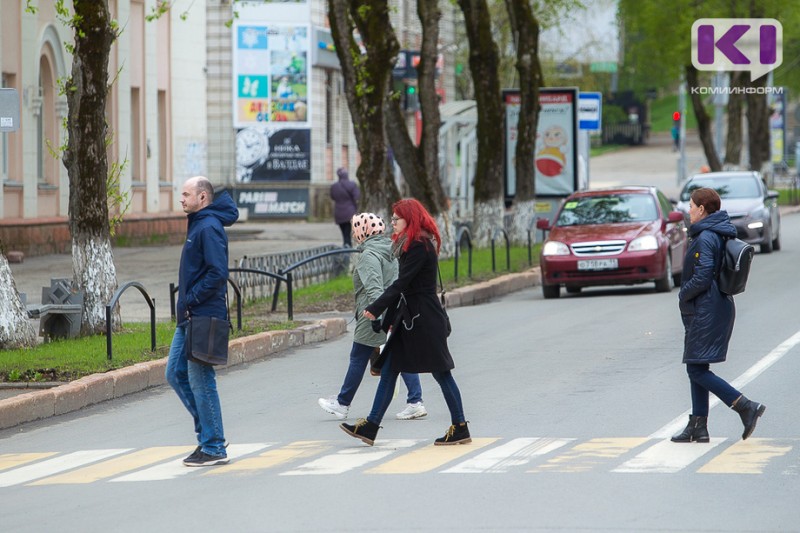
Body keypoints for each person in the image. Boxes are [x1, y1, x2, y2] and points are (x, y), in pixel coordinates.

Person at [340, 198, 471, 446]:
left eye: (396, 218)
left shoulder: (420, 246)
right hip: (411, 318)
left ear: (409, 219)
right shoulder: (410, 244)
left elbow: (401, 285)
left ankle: (460, 426)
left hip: (424, 320)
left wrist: (376, 308)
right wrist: (385, 320)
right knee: (389, 370)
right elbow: (402, 290)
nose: (392, 222)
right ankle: (370, 426)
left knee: (442, 373)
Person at [672, 187, 765, 443]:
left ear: (702, 209)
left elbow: (702, 277)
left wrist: (683, 294)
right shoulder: (714, 232)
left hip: (706, 308)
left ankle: (745, 406)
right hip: (713, 306)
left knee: (697, 370)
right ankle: (698, 427)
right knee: (697, 365)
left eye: (691, 206)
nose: (688, 211)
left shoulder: (705, 237)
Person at [318, 213, 427, 421]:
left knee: (358, 357)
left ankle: (342, 403)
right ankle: (415, 401)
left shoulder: (369, 255)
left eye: (356, 230)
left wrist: (377, 315)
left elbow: (375, 289)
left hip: (374, 313)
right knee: (400, 357)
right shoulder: (391, 249)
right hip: (396, 310)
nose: (354, 234)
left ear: (363, 231)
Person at [166, 176, 239, 466]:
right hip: (191, 316)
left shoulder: (208, 227)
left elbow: (218, 273)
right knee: (175, 373)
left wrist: (191, 299)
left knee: (201, 380)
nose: (181, 199)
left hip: (203, 315)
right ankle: (209, 434)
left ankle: (213, 446)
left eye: (186, 194)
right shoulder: (199, 222)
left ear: (203, 197)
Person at [330, 168, 360, 247]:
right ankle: (347, 247)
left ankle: (346, 245)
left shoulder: (334, 186)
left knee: (344, 233)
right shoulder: (352, 184)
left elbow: (332, 197)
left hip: (339, 213)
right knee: (348, 232)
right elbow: (357, 197)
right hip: (350, 212)